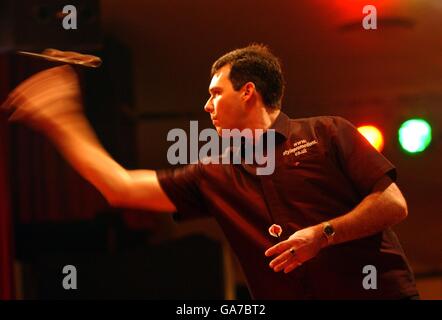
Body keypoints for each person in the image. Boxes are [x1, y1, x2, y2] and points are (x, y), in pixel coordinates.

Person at [1, 44, 419, 299]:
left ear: (248, 91)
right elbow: (121, 188)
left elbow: (392, 203)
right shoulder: (213, 173)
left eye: (215, 92)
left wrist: (323, 235)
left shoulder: (327, 132)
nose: (206, 106)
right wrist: (63, 122)